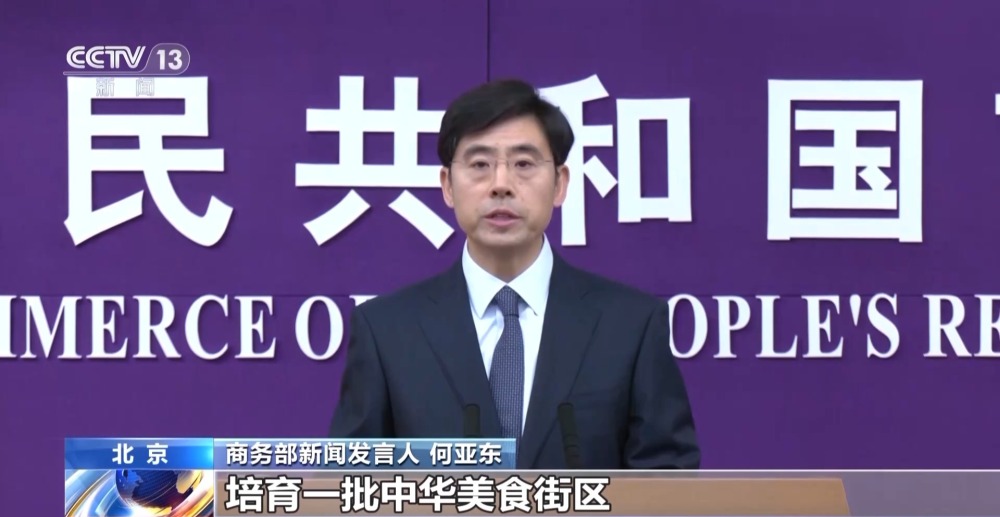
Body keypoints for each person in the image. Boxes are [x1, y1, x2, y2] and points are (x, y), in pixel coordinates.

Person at [329, 78, 700, 469]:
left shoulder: (630, 326)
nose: (501, 185)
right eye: (480, 165)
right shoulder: (387, 331)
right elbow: (352, 482)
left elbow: (667, 481)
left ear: (560, 184)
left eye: (524, 164)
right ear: (448, 186)